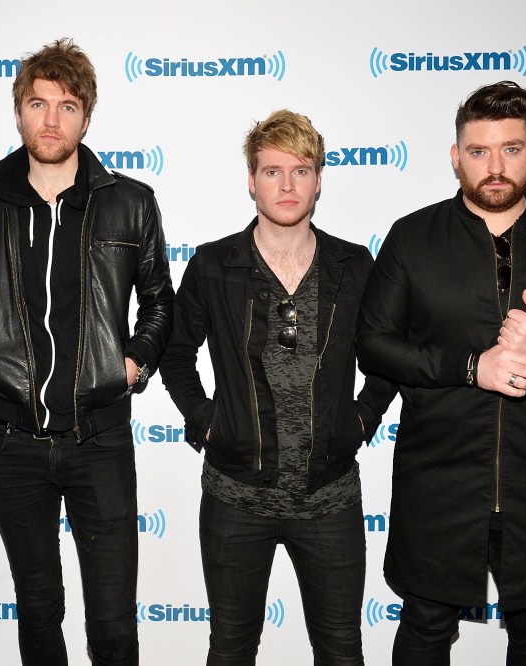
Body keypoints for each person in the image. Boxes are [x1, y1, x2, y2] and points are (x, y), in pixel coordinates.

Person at [356, 80, 526, 665]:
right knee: (426, 630)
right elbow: (373, 346)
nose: (494, 167)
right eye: (478, 151)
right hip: (437, 480)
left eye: (511, 149)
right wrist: (469, 367)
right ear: (455, 156)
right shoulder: (413, 238)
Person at [0, 38, 173, 666]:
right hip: (14, 443)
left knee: (112, 624)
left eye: (68, 106)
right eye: (38, 104)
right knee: (38, 613)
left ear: (86, 116)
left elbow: (159, 300)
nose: (52, 120)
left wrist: (134, 364)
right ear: (18, 111)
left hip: (100, 442)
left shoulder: (130, 201)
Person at [159, 109, 397, 665]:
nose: (287, 185)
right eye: (272, 171)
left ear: (318, 180)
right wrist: (205, 419)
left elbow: (388, 357)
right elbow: (173, 353)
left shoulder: (353, 266)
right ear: (251, 179)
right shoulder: (216, 265)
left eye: (301, 170)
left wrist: (363, 420)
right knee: (232, 649)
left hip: (330, 496)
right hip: (235, 497)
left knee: (341, 649)